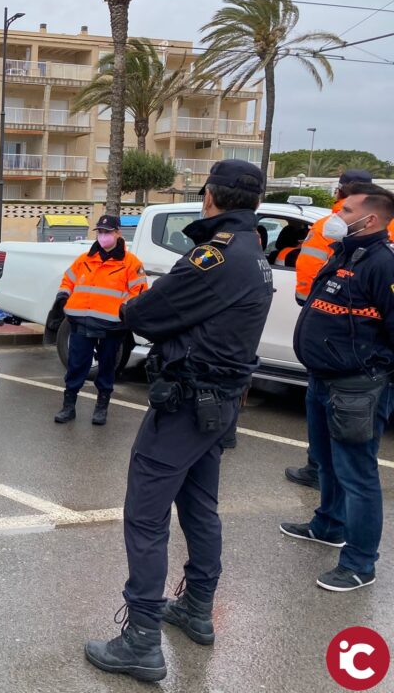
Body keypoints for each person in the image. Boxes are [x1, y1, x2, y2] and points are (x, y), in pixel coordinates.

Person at [84, 160, 273, 683]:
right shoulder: (253, 252)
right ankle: (196, 607)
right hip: (219, 402)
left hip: (187, 403)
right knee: (199, 508)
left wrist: (134, 310)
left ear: (210, 196)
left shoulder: (214, 256)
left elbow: (144, 313)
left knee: (145, 515)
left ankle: (141, 638)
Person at [280, 185, 394, 592]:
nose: (336, 215)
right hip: (323, 380)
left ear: (371, 220)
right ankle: (328, 525)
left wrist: (376, 375)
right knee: (326, 462)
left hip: (357, 387)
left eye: (346, 210)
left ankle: (361, 563)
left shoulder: (383, 264)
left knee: (358, 475)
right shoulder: (345, 253)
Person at [286, 169, 373, 489]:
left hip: (329, 323)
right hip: (353, 335)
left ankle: (320, 468)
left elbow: (307, 269)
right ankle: (329, 472)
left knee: (326, 405)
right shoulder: (376, 224)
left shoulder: (330, 225)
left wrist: (310, 302)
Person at [53, 215, 147, 426]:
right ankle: (68, 407)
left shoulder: (131, 263)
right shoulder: (85, 259)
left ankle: (101, 407)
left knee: (106, 368)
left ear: (118, 233)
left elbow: (139, 291)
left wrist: (125, 308)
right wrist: (63, 296)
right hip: (81, 322)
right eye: (100, 232)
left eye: (108, 232)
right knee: (76, 366)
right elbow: (68, 279)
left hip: (111, 326)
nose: (103, 236)